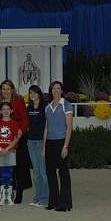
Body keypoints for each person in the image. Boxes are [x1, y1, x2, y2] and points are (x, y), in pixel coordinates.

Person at [0, 80, 32, 203]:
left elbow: (25, 119)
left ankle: (18, 192)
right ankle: (6, 192)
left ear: (12, 89)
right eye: (3, 89)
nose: (5, 91)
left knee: (19, 167)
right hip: (3, 141)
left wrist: (20, 131)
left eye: (8, 89)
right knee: (5, 167)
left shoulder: (19, 101)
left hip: (17, 138)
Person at [44, 81, 73, 212]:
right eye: (53, 88)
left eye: (58, 88)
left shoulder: (66, 105)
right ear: (51, 91)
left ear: (62, 91)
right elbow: (46, 128)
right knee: (50, 174)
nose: (56, 90)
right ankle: (53, 201)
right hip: (50, 143)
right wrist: (44, 147)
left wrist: (65, 146)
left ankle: (65, 203)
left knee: (63, 173)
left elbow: (69, 127)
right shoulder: (48, 107)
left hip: (61, 142)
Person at [0, 102, 22, 206]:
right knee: (2, 174)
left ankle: (9, 195)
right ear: (0, 111)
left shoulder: (14, 123)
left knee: (9, 174)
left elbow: (15, 139)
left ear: (11, 111)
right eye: (3, 109)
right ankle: (2, 195)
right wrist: (0, 149)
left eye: (8, 109)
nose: (5, 111)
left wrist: (7, 149)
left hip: (10, 152)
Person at [26, 85, 49, 208]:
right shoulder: (29, 107)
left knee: (43, 172)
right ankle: (37, 197)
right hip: (31, 142)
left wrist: (45, 143)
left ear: (39, 94)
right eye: (30, 93)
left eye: (34, 92)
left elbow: (47, 125)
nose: (32, 95)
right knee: (35, 172)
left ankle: (45, 198)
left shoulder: (44, 107)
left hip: (41, 142)